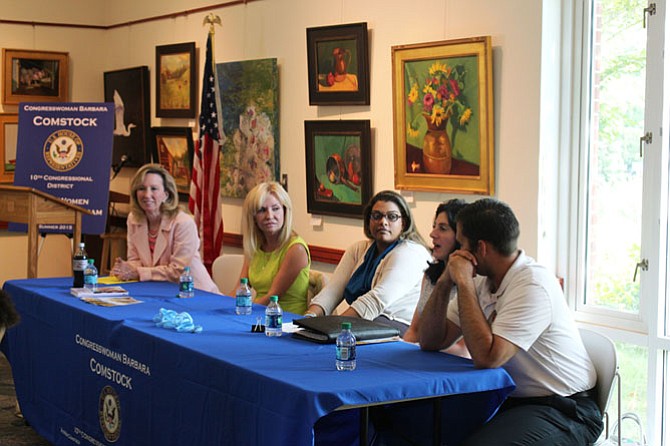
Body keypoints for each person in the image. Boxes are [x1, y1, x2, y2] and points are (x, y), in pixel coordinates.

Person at [419, 198, 603, 444]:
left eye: (462, 244)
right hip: (512, 401)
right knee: (424, 429)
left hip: (563, 409)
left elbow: (488, 358)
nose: (457, 253)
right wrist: (445, 280)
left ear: (481, 248)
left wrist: (462, 282)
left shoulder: (532, 284)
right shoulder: (482, 279)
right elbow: (430, 340)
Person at [305, 190, 431, 336]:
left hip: (398, 326)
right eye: (377, 216)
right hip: (366, 322)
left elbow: (376, 300)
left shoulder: (410, 252)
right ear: (368, 220)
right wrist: (309, 318)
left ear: (403, 223)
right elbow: (332, 291)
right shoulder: (359, 249)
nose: (383, 222)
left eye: (392, 217)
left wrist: (333, 326)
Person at [111, 164, 219, 294]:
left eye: (154, 189)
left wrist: (137, 272)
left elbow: (178, 271)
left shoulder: (183, 223)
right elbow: (136, 261)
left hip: (194, 293)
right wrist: (124, 269)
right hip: (156, 291)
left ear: (166, 195)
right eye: (141, 188)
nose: (147, 194)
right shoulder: (133, 219)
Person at [403, 199, 468, 357]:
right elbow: (414, 330)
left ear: (461, 236)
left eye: (443, 228)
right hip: (422, 354)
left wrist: (418, 351)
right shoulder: (430, 275)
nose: (433, 234)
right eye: (434, 226)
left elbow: (463, 350)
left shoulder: (473, 281)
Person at [238, 182, 310, 315]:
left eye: (275, 208)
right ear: (253, 217)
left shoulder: (296, 249)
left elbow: (271, 297)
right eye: (262, 210)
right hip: (257, 316)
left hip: (285, 322)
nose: (269, 216)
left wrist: (239, 310)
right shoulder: (255, 246)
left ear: (285, 211)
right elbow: (241, 288)